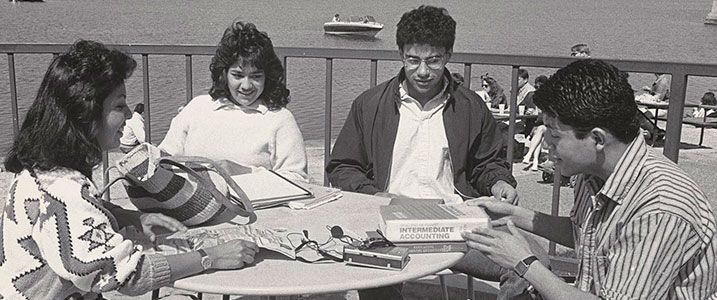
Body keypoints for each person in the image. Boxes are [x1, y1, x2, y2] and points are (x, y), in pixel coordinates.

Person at [0, 40, 259, 300]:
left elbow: (79, 215)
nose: (128, 115)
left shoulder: (41, 171)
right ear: (85, 112)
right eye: (119, 105)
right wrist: (210, 257)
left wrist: (133, 218)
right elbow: (125, 274)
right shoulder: (63, 191)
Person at [326, 5, 546, 299]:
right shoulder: (369, 104)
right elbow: (342, 166)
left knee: (534, 262)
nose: (423, 71)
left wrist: (498, 182)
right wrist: (375, 195)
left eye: (433, 61)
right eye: (413, 60)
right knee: (377, 280)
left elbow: (487, 162)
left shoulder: (470, 106)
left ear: (449, 56)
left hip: (454, 225)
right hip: (387, 223)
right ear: (400, 55)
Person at [463, 59, 717, 299]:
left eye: (554, 134)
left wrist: (524, 262)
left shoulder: (659, 210)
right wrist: (509, 214)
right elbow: (583, 233)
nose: (546, 145)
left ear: (597, 139)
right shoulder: (594, 171)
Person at [159, 21, 309, 182]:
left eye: (256, 76)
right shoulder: (197, 107)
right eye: (237, 75)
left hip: (250, 205)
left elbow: (297, 179)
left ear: (268, 77)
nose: (246, 86)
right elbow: (164, 158)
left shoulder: (279, 118)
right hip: (191, 202)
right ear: (223, 74)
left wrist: (244, 172)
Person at [521, 75, 548, 171]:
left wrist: (538, 113)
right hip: (533, 126)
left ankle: (529, 155)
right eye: (536, 87)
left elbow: (550, 117)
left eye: (541, 88)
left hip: (547, 126)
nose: (538, 90)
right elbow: (519, 108)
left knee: (540, 130)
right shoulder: (531, 96)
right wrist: (526, 110)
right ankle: (535, 160)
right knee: (539, 132)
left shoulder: (549, 99)